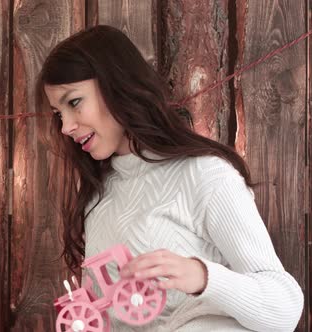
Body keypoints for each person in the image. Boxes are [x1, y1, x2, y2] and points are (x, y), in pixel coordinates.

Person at [37, 25, 303, 331]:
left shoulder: (205, 175)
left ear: (117, 84)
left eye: (73, 102)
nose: (65, 127)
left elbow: (284, 309)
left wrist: (203, 276)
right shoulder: (99, 196)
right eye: (58, 113)